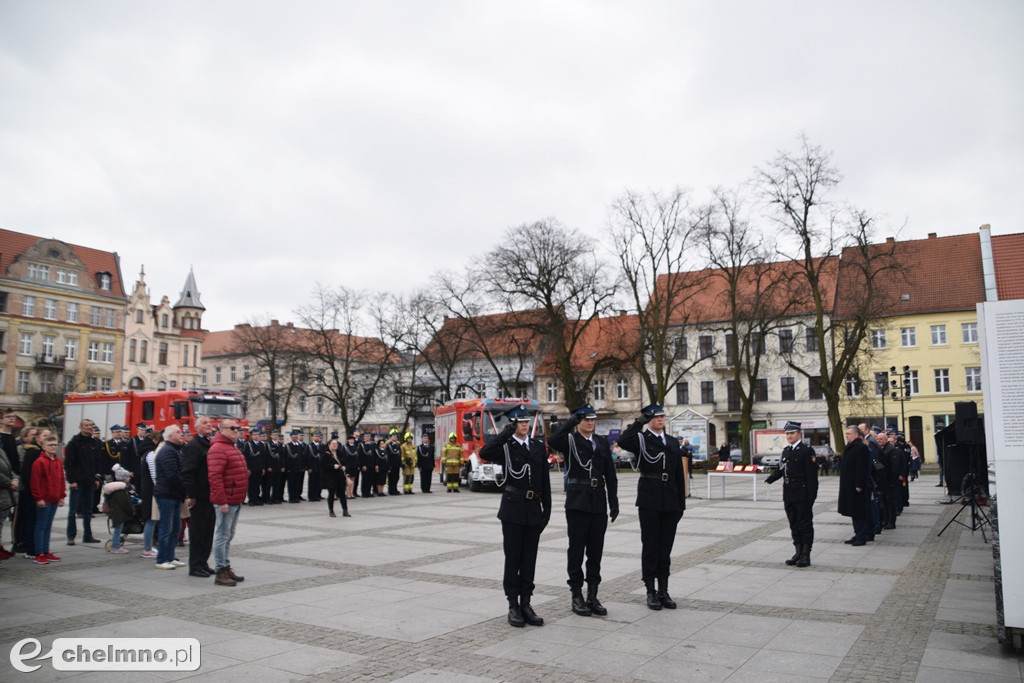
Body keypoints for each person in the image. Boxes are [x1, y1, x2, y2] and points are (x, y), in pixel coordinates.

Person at [480, 407, 551, 628]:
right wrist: (505, 432)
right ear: (512, 424)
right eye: (519, 422)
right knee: (513, 559)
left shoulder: (538, 447)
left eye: (525, 421)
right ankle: (513, 604)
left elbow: (544, 482)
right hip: (512, 509)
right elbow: (485, 452)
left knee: (529, 559)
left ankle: (526, 603)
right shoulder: (506, 448)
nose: (524, 425)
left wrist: (546, 512)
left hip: (533, 510)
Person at [548, 404, 619, 617]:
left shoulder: (601, 442)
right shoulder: (570, 441)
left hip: (597, 500)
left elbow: (610, 474)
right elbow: (552, 441)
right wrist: (571, 421)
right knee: (577, 549)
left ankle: (593, 594)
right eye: (585, 419)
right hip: (577, 501)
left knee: (595, 551)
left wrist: (613, 502)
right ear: (579, 421)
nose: (590, 422)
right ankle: (576, 594)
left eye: (591, 419)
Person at [618, 403, 686, 610]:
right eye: (655, 417)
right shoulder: (641, 440)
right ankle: (650, 590)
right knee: (650, 547)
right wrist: (640, 421)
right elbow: (623, 440)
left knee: (665, 548)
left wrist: (681, 503)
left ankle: (664, 590)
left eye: (661, 416)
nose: (659, 420)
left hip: (671, 500)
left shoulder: (673, 442)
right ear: (649, 419)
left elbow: (678, 475)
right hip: (650, 499)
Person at [765, 421, 819, 567]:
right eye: (787, 433)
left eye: (792, 433)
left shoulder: (807, 451)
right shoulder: (786, 451)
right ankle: (798, 551)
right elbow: (782, 468)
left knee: (805, 524)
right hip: (789, 493)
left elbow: (812, 478)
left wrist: (811, 497)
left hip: (802, 494)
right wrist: (772, 477)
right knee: (794, 524)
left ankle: (806, 554)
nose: (789, 436)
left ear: (799, 434)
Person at [207, 418, 248, 586]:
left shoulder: (231, 447)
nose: (236, 430)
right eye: (232, 428)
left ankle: (225, 565)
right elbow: (215, 477)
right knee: (222, 535)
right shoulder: (218, 448)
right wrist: (221, 500)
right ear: (222, 430)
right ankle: (220, 571)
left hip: (236, 498)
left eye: (237, 428)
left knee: (228, 535)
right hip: (227, 500)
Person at [181, 416, 215, 577]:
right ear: (196, 428)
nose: (209, 425)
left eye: (209, 423)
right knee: (198, 532)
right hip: (199, 496)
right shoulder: (194, 446)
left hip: (210, 495)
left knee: (208, 532)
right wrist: (191, 495)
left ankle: (203, 562)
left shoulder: (210, 443)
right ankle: (195, 565)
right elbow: (188, 473)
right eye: (204, 423)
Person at [153, 425, 187, 570]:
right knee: (166, 528)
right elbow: (172, 475)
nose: (181, 434)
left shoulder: (174, 450)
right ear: (170, 436)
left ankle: (170, 556)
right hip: (167, 494)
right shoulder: (167, 451)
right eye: (178, 432)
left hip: (173, 494)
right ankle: (161, 559)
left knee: (175, 527)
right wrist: (184, 490)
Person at [64, 419, 102, 546]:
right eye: (86, 426)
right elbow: (69, 463)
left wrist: (96, 478)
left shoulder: (94, 442)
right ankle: (71, 536)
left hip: (89, 481)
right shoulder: (74, 443)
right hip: (77, 482)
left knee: (88, 511)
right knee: (73, 510)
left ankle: (88, 535)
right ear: (80, 427)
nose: (88, 428)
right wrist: (71, 480)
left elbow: (97, 462)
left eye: (90, 425)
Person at [30, 436, 64, 565]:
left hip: (54, 498)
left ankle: (46, 550)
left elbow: (61, 479)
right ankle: (39, 553)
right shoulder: (39, 462)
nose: (53, 447)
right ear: (43, 447)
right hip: (44, 499)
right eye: (50, 445)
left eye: (55, 444)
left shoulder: (58, 461)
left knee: (48, 526)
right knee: (41, 526)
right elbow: (35, 482)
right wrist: (38, 498)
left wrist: (62, 496)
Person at [838, 425, 872, 546]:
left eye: (849, 433)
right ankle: (857, 533)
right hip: (849, 484)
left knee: (859, 511)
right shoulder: (850, 447)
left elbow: (862, 468)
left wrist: (859, 484)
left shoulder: (860, 447)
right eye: (846, 433)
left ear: (856, 435)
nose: (846, 435)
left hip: (856, 485)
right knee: (853, 511)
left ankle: (861, 536)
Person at [102, 465, 134, 554]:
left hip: (117, 513)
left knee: (118, 529)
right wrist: (132, 510)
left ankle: (116, 545)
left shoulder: (117, 489)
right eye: (127, 477)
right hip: (119, 513)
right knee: (117, 530)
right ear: (123, 478)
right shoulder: (121, 490)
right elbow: (125, 502)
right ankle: (115, 546)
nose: (129, 478)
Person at [0, 434, 19, 562]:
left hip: (4, 495)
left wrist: (14, 478)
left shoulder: (1, 451)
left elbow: (9, 468)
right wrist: (9, 482)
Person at [322, 437, 351, 517]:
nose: (335, 445)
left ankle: (345, 510)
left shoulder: (340, 453)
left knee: (342, 494)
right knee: (331, 494)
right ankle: (331, 511)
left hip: (340, 476)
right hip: (330, 477)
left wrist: (345, 467)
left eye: (336, 444)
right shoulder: (325, 454)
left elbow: (347, 462)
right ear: (329, 445)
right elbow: (323, 465)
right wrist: (332, 466)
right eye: (333, 444)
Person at [306, 432, 325, 502]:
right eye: (315, 436)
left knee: (318, 482)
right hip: (312, 466)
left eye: (318, 436)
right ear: (312, 438)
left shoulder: (321, 446)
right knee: (312, 482)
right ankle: (311, 496)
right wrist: (308, 467)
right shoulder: (310, 446)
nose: (317, 438)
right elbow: (307, 457)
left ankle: (317, 495)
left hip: (319, 467)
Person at [342, 434, 360, 499]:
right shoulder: (345, 447)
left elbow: (357, 457)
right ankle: (348, 494)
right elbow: (344, 457)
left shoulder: (355, 447)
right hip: (348, 465)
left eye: (353, 439)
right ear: (348, 440)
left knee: (353, 479)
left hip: (354, 465)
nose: (352, 440)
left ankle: (351, 493)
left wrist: (358, 465)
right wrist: (344, 465)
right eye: (350, 439)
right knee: (348, 479)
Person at [386, 429, 403, 496]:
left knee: (396, 477)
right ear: (391, 437)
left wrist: (400, 463)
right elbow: (387, 456)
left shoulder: (398, 445)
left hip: (397, 464)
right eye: (393, 436)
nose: (395, 438)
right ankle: (391, 490)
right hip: (391, 465)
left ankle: (395, 489)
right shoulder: (388, 445)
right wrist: (388, 465)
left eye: (396, 437)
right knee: (391, 478)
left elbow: (399, 455)